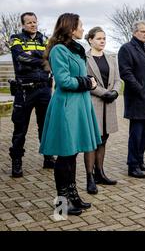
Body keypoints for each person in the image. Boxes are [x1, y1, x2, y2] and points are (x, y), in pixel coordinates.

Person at [40, 13, 101, 216]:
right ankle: (61, 204)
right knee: (65, 156)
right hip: (67, 107)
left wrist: (87, 79)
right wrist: (87, 82)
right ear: (70, 28)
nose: (83, 29)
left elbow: (78, 75)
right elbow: (64, 81)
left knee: (72, 154)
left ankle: (73, 197)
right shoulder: (59, 50)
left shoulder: (76, 50)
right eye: (81, 26)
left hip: (80, 105)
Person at [8, 12, 55, 177]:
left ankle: (48, 158)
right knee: (20, 128)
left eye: (34, 22)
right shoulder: (16, 38)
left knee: (46, 126)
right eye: (29, 22)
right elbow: (20, 57)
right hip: (24, 91)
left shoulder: (46, 39)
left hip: (44, 90)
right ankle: (16, 161)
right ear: (23, 24)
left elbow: (52, 58)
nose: (33, 25)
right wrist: (42, 60)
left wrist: (35, 56)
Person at [118, 20, 145, 179]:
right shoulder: (127, 49)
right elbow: (126, 73)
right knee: (136, 133)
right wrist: (140, 89)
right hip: (137, 98)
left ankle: (140, 160)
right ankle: (132, 165)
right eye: (143, 31)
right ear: (135, 32)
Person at [84, 27, 121, 194]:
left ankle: (100, 173)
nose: (102, 41)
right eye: (99, 38)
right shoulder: (84, 58)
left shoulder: (111, 58)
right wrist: (105, 93)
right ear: (90, 40)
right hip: (94, 102)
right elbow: (87, 81)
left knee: (103, 138)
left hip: (109, 103)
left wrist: (115, 92)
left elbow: (117, 79)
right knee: (92, 140)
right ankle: (89, 177)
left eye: (104, 38)